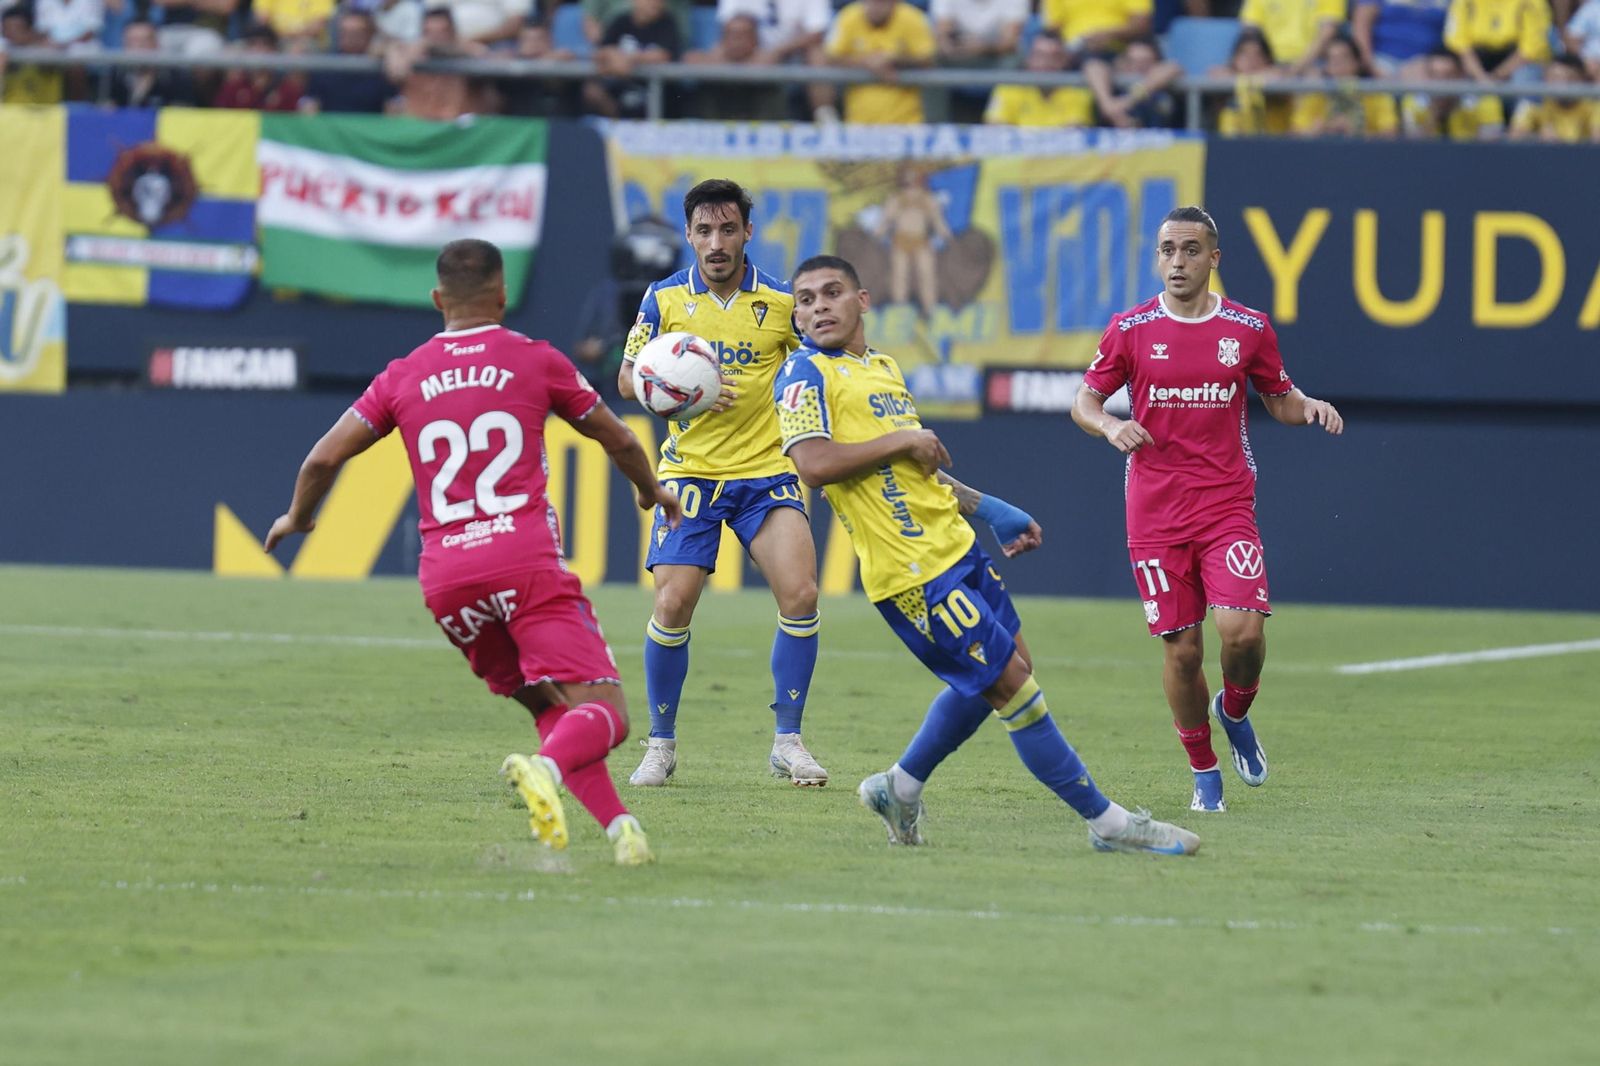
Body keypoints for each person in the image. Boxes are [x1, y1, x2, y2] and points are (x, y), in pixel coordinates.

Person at [263, 239, 678, 866]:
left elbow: (323, 456)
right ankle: (545, 771)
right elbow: (616, 437)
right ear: (503, 294)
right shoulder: (534, 359)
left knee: (550, 706)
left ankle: (623, 833)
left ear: (437, 299)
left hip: (448, 582)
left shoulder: (403, 374)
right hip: (523, 562)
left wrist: (299, 517)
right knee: (609, 715)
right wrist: (652, 492)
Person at [777, 254, 1200, 857]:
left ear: (863, 301)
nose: (818, 307)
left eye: (832, 293)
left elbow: (917, 472)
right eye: (806, 299)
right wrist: (905, 438)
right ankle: (1109, 824)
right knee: (1012, 689)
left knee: (1009, 672)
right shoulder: (802, 374)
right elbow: (813, 465)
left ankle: (899, 787)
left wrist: (991, 508)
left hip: (956, 549)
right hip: (910, 571)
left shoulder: (882, 368)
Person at [1071, 207, 1344, 814]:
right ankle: (1204, 771)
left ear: (1213, 258)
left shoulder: (1247, 328)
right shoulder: (1131, 328)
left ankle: (1236, 709)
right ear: (1157, 257)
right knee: (1183, 650)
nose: (1177, 261)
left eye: (1191, 250)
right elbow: (1084, 402)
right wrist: (1108, 426)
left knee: (1242, 634)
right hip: (1155, 512)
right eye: (1168, 250)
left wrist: (1310, 407)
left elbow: (1279, 399)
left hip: (1225, 504)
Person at [615, 178, 827, 790]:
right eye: (704, 231)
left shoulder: (783, 302)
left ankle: (788, 741)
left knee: (802, 594)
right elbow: (628, 380)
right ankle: (661, 745)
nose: (716, 242)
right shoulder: (662, 301)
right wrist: (678, 392)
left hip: (767, 471)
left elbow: (819, 363)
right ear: (688, 235)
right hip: (690, 475)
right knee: (671, 604)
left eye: (727, 229)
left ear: (747, 233)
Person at [825, 0, 936, 125]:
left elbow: (927, 59)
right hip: (857, 123)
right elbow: (830, 58)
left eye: (881, 3)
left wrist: (894, 59)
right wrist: (866, 61)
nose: (875, 7)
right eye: (871, 2)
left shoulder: (912, 18)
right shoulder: (848, 16)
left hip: (907, 124)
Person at [1289, 32, 1400, 137]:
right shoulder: (1317, 93)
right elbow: (1295, 132)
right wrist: (1313, 132)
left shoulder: (1375, 92)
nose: (1337, 66)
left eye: (1343, 59)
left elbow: (1390, 134)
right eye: (1332, 60)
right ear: (1326, 66)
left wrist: (1357, 133)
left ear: (1357, 63)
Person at [1400, 47, 1505, 138]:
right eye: (1434, 75)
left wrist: (1460, 111)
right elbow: (1413, 150)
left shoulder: (1486, 101)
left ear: (1461, 75)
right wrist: (1433, 115)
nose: (1440, 84)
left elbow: (1491, 151)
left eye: (1447, 75)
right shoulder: (1413, 102)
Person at [1508, 52, 1600, 141]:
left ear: (1582, 80)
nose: (1562, 85)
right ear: (1545, 79)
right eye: (1555, 78)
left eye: (1571, 79)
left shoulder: (1594, 106)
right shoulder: (1533, 103)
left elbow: (1597, 140)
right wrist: (1538, 138)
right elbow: (1515, 137)